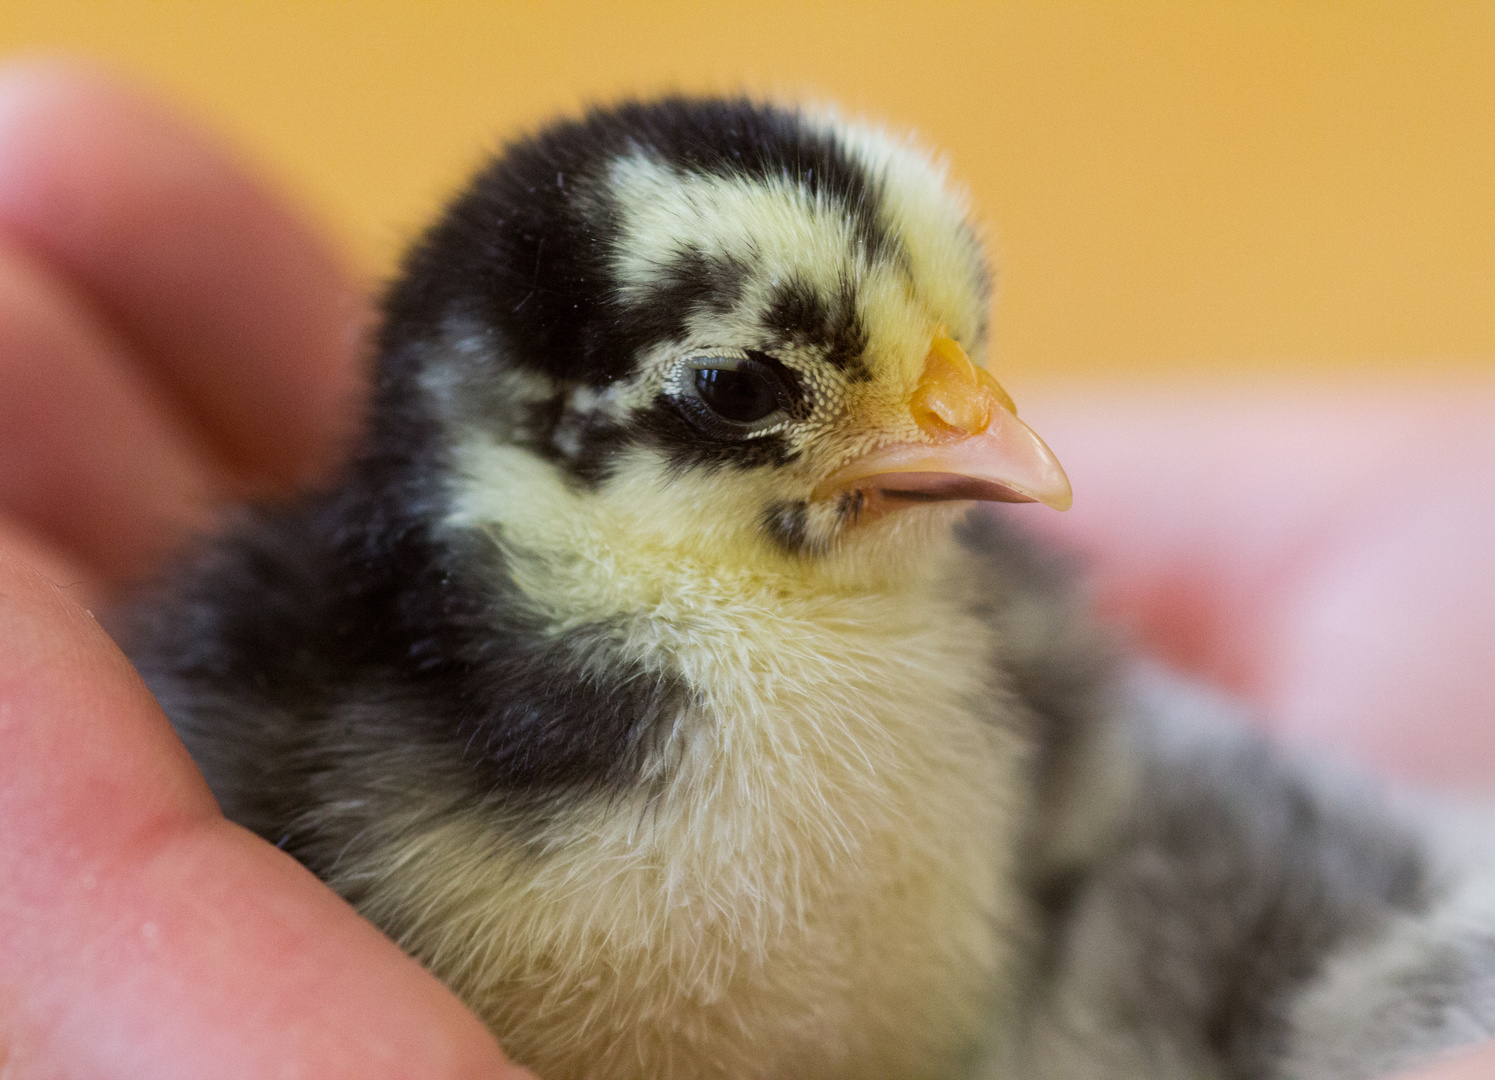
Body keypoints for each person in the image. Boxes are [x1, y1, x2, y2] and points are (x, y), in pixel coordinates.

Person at [0, 63, 1489, 1080]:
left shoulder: (993, 660)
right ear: (533, 436)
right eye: (742, 388)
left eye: (957, 345)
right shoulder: (345, 746)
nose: (983, 434)